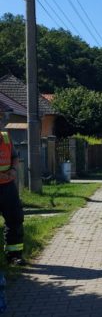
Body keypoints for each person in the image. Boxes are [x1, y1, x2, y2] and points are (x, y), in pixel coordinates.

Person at [0, 108, 24, 266]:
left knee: (15, 219)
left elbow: (15, 156)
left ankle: (13, 256)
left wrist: (14, 170)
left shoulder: (6, 137)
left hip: (8, 186)